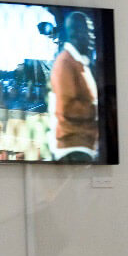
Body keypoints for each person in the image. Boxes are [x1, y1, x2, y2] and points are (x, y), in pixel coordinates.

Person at [47, 11, 99, 163]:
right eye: (89, 32)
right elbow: (68, 108)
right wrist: (98, 108)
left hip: (84, 145)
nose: (92, 37)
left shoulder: (79, 61)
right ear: (76, 33)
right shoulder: (65, 62)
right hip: (74, 149)